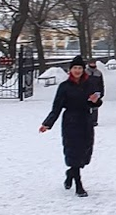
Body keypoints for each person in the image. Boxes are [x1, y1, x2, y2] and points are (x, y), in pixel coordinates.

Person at [38, 56, 102, 197]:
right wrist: (47, 123)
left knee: (85, 154)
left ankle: (70, 173)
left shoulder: (89, 84)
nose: (77, 71)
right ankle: (79, 185)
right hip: (71, 122)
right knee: (74, 152)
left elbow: (96, 103)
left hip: (85, 120)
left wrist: (95, 101)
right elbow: (56, 108)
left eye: (79, 68)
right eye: (75, 68)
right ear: (70, 70)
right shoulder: (64, 87)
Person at [86, 57, 105, 127]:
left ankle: (94, 121)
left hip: (96, 92)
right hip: (86, 92)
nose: (93, 64)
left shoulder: (99, 73)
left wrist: (102, 92)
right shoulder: (85, 72)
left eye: (94, 63)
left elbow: (101, 83)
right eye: (91, 63)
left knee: (95, 107)